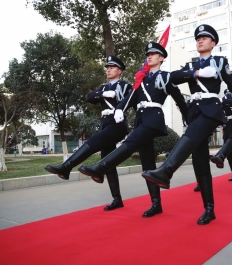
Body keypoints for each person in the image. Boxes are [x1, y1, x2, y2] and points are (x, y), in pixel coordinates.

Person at [141, 24, 232, 225]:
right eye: (198, 39)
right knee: (200, 161)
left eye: (204, 38)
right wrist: (195, 74)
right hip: (195, 112)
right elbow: (174, 77)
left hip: (211, 110)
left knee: (191, 135)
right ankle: (209, 208)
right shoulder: (191, 65)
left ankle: (166, 171)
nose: (200, 41)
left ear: (213, 43)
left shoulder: (220, 63)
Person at [78, 42, 189, 218]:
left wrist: (187, 116)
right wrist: (120, 109)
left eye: (153, 54)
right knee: (148, 164)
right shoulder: (141, 80)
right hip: (141, 121)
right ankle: (156, 203)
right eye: (148, 54)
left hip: (153, 121)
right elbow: (130, 99)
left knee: (130, 141)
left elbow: (179, 98)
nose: (149, 56)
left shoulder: (166, 77)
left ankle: (101, 167)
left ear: (161, 58)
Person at [44, 55, 131, 211]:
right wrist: (103, 94)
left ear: (120, 71)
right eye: (107, 67)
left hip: (117, 124)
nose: (108, 70)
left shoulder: (125, 86)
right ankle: (117, 199)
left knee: (92, 142)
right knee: (108, 163)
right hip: (105, 124)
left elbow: (132, 99)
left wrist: (119, 100)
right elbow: (90, 97)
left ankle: (66, 167)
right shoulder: (103, 88)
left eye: (112, 67)